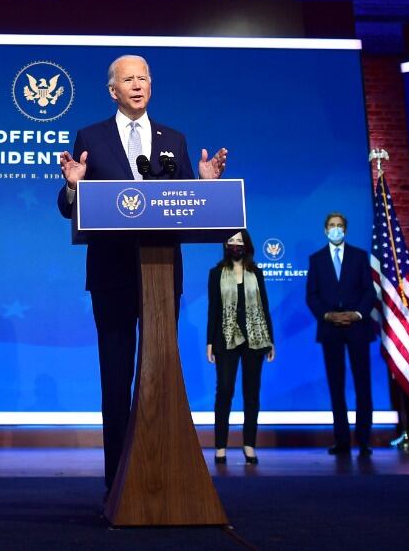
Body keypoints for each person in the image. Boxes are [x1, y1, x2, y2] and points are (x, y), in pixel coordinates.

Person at [56, 54, 228, 493]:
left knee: (160, 377)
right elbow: (66, 207)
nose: (137, 85)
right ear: (113, 90)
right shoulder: (90, 137)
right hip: (112, 276)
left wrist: (205, 188)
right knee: (116, 383)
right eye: (128, 79)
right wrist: (73, 187)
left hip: (161, 276)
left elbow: (188, 208)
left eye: (143, 78)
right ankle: (117, 485)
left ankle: (164, 481)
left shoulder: (174, 138)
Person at [305, 212, 376, 457]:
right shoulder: (316, 260)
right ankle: (342, 440)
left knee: (362, 385)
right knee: (336, 386)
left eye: (340, 226)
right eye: (332, 226)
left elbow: (369, 292)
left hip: (357, 328)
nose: (336, 229)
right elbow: (312, 296)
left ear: (345, 229)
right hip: (330, 329)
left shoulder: (359, 256)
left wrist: (356, 314)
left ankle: (365, 440)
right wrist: (328, 315)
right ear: (325, 230)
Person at [206, 230, 275, 465]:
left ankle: (249, 445)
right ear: (225, 246)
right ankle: (220, 446)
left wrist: (270, 340)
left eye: (239, 241)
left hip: (255, 339)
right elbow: (213, 309)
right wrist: (210, 342)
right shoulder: (216, 273)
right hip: (226, 338)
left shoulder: (256, 273)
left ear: (247, 245)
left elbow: (264, 307)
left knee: (251, 393)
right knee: (224, 390)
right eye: (231, 242)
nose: (235, 245)